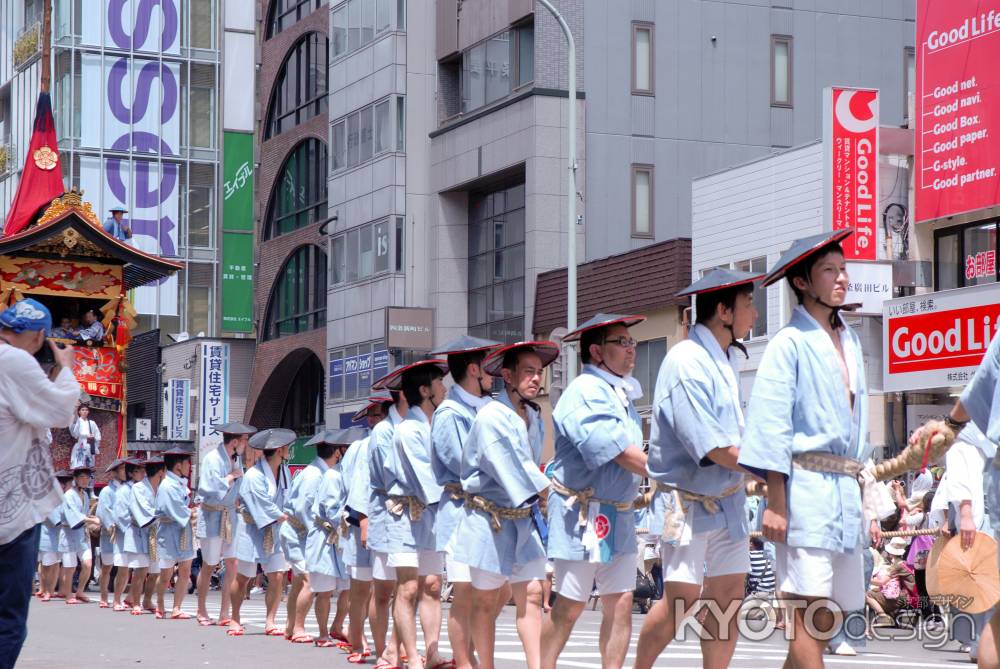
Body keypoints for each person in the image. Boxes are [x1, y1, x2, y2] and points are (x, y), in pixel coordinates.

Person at [737, 230, 877, 669]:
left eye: (843, 268)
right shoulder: (788, 343)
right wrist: (775, 501)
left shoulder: (850, 339)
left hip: (843, 490)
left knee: (822, 617)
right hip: (805, 491)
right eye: (829, 271)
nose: (842, 278)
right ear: (802, 282)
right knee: (804, 611)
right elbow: (771, 425)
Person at [634, 270, 761, 669]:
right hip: (686, 501)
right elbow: (710, 446)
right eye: (748, 305)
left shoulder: (725, 357)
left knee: (728, 599)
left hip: (728, 496)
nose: (754, 315)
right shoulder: (685, 359)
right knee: (681, 599)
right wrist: (769, 468)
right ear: (723, 311)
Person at [541, 314, 649, 669]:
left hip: (617, 512)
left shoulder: (620, 392)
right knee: (569, 606)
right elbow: (614, 448)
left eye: (632, 342)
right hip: (581, 514)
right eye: (622, 342)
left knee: (620, 603)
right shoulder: (585, 391)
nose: (631, 348)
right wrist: (667, 471)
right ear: (596, 351)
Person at [448, 341, 559, 669]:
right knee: (485, 601)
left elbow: (531, 468)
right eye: (529, 371)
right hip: (489, 519)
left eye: (539, 372)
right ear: (507, 375)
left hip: (522, 518)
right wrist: (550, 489)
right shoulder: (491, 416)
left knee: (534, 594)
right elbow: (514, 468)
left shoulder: (535, 416)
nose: (536, 378)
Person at [0, 297, 79, 666]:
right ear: (40, 336)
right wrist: (65, 369)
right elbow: (60, 411)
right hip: (11, 510)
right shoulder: (14, 361)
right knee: (9, 619)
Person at [428, 335, 501, 669]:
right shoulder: (449, 413)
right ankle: (465, 661)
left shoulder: (484, 407)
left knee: (497, 591)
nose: (493, 376)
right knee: (466, 592)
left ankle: (468, 654)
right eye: (488, 367)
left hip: (486, 509)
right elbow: (462, 464)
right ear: (474, 370)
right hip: (461, 508)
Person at [375, 358, 451, 669]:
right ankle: (412, 656)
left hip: (430, 514)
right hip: (406, 514)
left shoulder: (431, 425)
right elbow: (428, 479)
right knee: (406, 587)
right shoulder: (408, 430)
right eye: (438, 383)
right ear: (424, 390)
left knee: (432, 584)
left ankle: (431, 653)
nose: (444, 388)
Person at [281, 428, 355, 644]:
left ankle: (291, 625)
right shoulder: (315, 474)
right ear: (338, 452)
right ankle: (298, 627)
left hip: (314, 532)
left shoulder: (322, 471)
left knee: (302, 581)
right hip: (304, 533)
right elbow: (305, 509)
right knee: (308, 581)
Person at [228, 428, 296, 637]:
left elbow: (289, 497)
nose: (288, 450)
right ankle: (235, 618)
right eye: (286, 447)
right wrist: (282, 515)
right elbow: (262, 504)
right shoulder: (254, 476)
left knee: (277, 576)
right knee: (243, 576)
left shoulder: (284, 471)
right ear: (279, 450)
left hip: (274, 529)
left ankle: (270, 620)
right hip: (251, 529)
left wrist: (289, 513)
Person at [340, 399, 390, 657]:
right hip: (363, 521)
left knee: (378, 589)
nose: (374, 419)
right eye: (372, 415)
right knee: (362, 589)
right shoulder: (364, 446)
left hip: (379, 520)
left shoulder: (383, 440)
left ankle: (377, 645)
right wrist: (363, 522)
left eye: (378, 414)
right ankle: (358, 643)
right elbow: (358, 485)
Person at [303, 428, 361, 649]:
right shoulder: (332, 475)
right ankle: (323, 633)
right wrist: (352, 516)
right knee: (325, 590)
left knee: (347, 587)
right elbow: (329, 508)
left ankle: (337, 625)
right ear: (341, 451)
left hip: (343, 536)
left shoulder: (350, 474)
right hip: (326, 536)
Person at [194, 421, 256, 626]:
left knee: (233, 563)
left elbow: (242, 486)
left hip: (231, 515)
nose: (246, 445)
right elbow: (207, 487)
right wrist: (230, 477)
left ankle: (224, 611)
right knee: (209, 564)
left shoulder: (235, 459)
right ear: (236, 442)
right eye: (245, 440)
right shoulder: (213, 458)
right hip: (212, 515)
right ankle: (201, 609)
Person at [367, 384, 409, 668]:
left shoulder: (415, 423)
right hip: (387, 512)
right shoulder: (383, 430)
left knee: (408, 587)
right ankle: (383, 648)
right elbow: (386, 475)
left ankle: (396, 647)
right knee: (383, 591)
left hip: (411, 513)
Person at [155, 446, 197, 620]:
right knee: (166, 573)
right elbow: (178, 510)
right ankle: (159, 604)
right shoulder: (167, 485)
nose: (190, 466)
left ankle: (177, 607)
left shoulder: (179, 483)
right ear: (178, 465)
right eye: (187, 463)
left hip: (183, 530)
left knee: (185, 570)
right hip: (169, 531)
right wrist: (196, 512)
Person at [127, 456, 165, 616]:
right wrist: (164, 515)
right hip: (140, 532)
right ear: (161, 472)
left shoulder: (163, 488)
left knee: (155, 571)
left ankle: (147, 599)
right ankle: (135, 602)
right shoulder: (138, 488)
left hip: (156, 532)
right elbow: (144, 511)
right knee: (141, 570)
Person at [57, 466, 98, 603]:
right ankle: (68, 594)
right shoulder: (69, 495)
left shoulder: (85, 495)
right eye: (82, 477)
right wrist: (92, 520)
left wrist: (90, 518)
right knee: (70, 567)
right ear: (75, 479)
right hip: (69, 533)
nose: (85, 480)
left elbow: (83, 515)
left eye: (87, 478)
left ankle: (80, 591)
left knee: (87, 563)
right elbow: (74, 515)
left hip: (82, 533)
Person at [112, 458, 145, 611]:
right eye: (138, 471)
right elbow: (120, 515)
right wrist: (133, 523)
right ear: (131, 473)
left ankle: (131, 597)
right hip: (126, 532)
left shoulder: (142, 488)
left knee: (139, 568)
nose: (143, 474)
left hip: (140, 531)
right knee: (124, 568)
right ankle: (116, 599)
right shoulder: (124, 491)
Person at [38, 470, 75, 602]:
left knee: (55, 565)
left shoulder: (65, 497)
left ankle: (51, 589)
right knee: (48, 565)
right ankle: (47, 590)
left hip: (60, 535)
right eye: (70, 483)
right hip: (48, 536)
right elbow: (56, 519)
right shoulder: (50, 498)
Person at [95, 458, 128, 608]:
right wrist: (113, 524)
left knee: (124, 567)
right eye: (122, 469)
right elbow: (103, 511)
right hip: (111, 532)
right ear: (114, 472)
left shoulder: (129, 489)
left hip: (125, 533)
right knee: (107, 567)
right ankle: (103, 596)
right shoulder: (107, 491)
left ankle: (117, 598)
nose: (125, 472)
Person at [866, 537, 916, 626]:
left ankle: (884, 618)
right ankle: (889, 615)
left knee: (866, 595)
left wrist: (866, 578)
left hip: (903, 598)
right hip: (908, 595)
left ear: (891, 552)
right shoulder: (904, 563)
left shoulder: (897, 566)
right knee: (875, 591)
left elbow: (882, 582)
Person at [69, 405, 101, 470]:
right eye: (82, 410)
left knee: (89, 467)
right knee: (78, 466)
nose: (84, 411)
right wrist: (86, 435)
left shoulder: (92, 423)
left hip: (89, 445)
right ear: (79, 412)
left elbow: (98, 436)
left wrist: (95, 444)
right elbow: (75, 433)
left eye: (86, 410)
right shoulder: (77, 421)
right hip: (80, 445)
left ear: (88, 412)